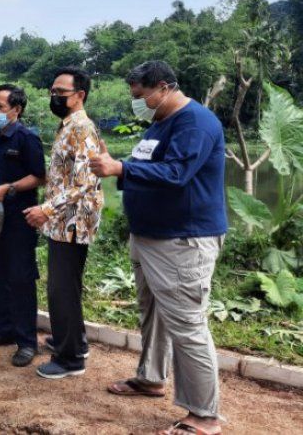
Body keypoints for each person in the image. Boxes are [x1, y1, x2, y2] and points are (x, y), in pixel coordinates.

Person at [90, 61, 226, 435]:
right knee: (153, 313)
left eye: (140, 95)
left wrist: (120, 168)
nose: (139, 102)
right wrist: (120, 165)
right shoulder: (161, 122)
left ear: (163, 87)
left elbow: (176, 173)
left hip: (182, 241)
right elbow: (146, 163)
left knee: (187, 324)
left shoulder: (194, 123)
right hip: (151, 238)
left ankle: (204, 415)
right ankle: (150, 379)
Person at [24, 67, 104, 379]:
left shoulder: (81, 128)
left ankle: (70, 360)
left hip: (73, 220)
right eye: (53, 91)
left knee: (61, 289)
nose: (54, 97)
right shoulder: (68, 126)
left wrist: (46, 208)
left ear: (80, 95)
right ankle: (75, 342)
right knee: (65, 286)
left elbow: (84, 182)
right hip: (64, 220)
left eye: (62, 92)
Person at [0, 84, 46, 367]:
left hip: (19, 218)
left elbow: (39, 177)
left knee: (20, 278)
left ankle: (27, 342)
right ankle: (2, 330)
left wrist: (8, 188)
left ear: (16, 109)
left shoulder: (26, 138)